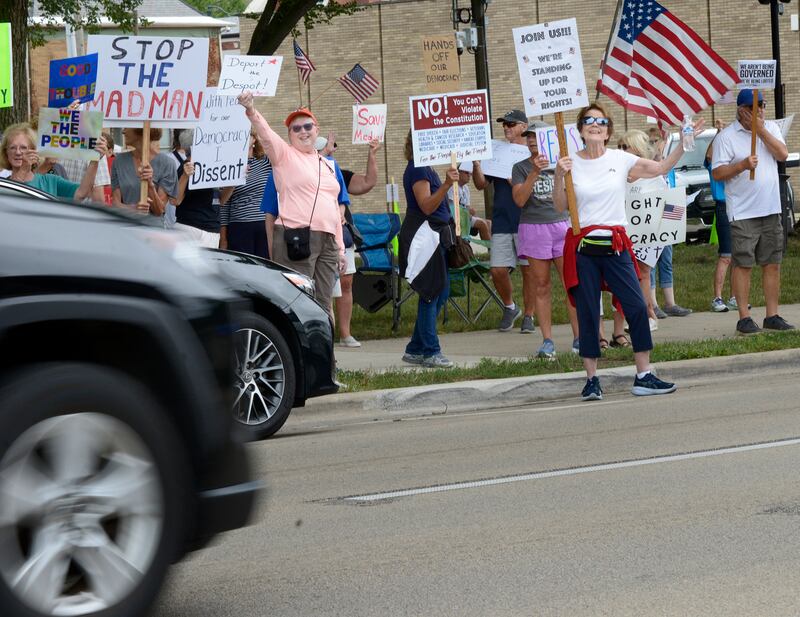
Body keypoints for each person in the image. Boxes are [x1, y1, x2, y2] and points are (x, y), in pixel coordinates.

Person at [554, 102, 702, 400]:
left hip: (616, 244)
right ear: (580, 129)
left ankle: (644, 375)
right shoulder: (569, 163)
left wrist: (685, 144)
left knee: (636, 306)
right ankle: (592, 379)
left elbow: (660, 168)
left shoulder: (620, 159)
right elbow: (559, 207)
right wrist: (558, 175)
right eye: (588, 120)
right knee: (587, 311)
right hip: (584, 246)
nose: (594, 124)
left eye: (600, 121)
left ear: (607, 130)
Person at [238, 93, 345, 316]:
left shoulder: (328, 165)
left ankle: (324, 351)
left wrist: (341, 249)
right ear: (289, 135)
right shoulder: (284, 155)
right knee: (297, 303)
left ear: (317, 130)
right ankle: (297, 351)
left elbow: (334, 208)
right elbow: (266, 134)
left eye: (307, 126)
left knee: (324, 305)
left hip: (328, 240)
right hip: (297, 238)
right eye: (296, 129)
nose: (303, 131)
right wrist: (251, 109)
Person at [712, 89, 793, 334]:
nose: (758, 111)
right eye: (752, 108)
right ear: (740, 111)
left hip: (770, 208)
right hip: (743, 211)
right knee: (743, 263)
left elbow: (782, 154)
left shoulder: (771, 128)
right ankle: (744, 317)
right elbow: (717, 173)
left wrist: (762, 130)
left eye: (762, 106)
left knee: (772, 263)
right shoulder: (726, 137)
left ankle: (772, 314)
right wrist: (742, 165)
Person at [512, 122, 579, 358]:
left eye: (536, 136)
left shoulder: (561, 161)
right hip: (533, 227)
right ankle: (547, 340)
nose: (531, 140)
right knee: (541, 285)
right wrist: (534, 172)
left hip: (561, 225)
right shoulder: (520, 167)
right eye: (528, 136)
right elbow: (519, 200)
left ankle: (579, 337)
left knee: (570, 283)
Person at [399, 130, 459, 369]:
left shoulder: (426, 167)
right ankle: (431, 351)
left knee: (440, 292)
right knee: (431, 292)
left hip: (435, 235)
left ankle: (416, 348)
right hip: (424, 235)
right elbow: (426, 205)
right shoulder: (418, 168)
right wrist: (445, 185)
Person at [619, 130, 692, 326]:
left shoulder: (653, 175)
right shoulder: (618, 175)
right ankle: (633, 315)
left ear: (638, 149)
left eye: (625, 147)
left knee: (643, 273)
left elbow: (666, 205)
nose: (621, 151)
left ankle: (647, 313)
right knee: (627, 275)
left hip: (649, 236)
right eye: (620, 147)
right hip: (624, 235)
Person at [472, 110, 533, 333]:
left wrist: (515, 180)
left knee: (529, 271)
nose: (506, 127)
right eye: (503, 124)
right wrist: (478, 166)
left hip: (527, 219)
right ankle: (510, 306)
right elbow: (480, 185)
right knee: (498, 269)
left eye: (510, 124)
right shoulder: (495, 151)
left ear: (523, 127)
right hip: (501, 219)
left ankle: (529, 315)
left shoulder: (531, 152)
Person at [325, 135, 381, 349]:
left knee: (346, 282)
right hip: (320, 232)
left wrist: (372, 154)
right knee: (324, 285)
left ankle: (345, 333)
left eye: (333, 147)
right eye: (328, 146)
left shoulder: (340, 174)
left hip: (343, 233)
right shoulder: (306, 172)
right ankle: (325, 333)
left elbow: (368, 182)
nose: (332, 150)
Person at [1, 123, 107, 200]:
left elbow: (81, 193)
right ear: (6, 153)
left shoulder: (51, 181)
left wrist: (94, 159)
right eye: (12, 148)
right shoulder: (3, 185)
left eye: (23, 148)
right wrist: (23, 171)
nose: (18, 152)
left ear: (35, 150)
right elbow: (11, 200)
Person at [219, 131, 272, 258]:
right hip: (239, 226)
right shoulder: (228, 165)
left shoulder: (266, 161)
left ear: (254, 139)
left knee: (265, 269)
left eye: (245, 134)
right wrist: (223, 238)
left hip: (264, 225)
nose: (241, 139)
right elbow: (223, 204)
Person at [705, 122, 737, 312]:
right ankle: (717, 297)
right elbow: (709, 155)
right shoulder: (714, 165)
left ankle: (734, 296)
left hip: (738, 206)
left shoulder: (733, 165)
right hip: (723, 207)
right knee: (726, 255)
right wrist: (719, 134)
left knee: (737, 256)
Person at [111, 126, 176, 217]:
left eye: (127, 127)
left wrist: (150, 185)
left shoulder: (167, 164)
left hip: (152, 229)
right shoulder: (118, 161)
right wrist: (133, 209)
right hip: (125, 227)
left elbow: (160, 210)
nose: (123, 131)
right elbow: (115, 203)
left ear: (141, 129)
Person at [172, 130, 221, 248]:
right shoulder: (184, 168)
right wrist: (185, 176)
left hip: (212, 230)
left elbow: (221, 200)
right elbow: (175, 200)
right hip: (190, 228)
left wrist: (233, 183)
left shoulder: (212, 168)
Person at [447, 168, 491, 241]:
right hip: (455, 218)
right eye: (467, 173)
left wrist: (470, 211)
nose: (469, 175)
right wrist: (467, 212)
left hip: (465, 216)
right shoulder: (452, 187)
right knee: (482, 224)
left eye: (470, 173)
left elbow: (467, 207)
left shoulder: (466, 188)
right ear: (459, 173)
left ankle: (491, 248)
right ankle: (491, 249)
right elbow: (451, 208)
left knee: (489, 223)